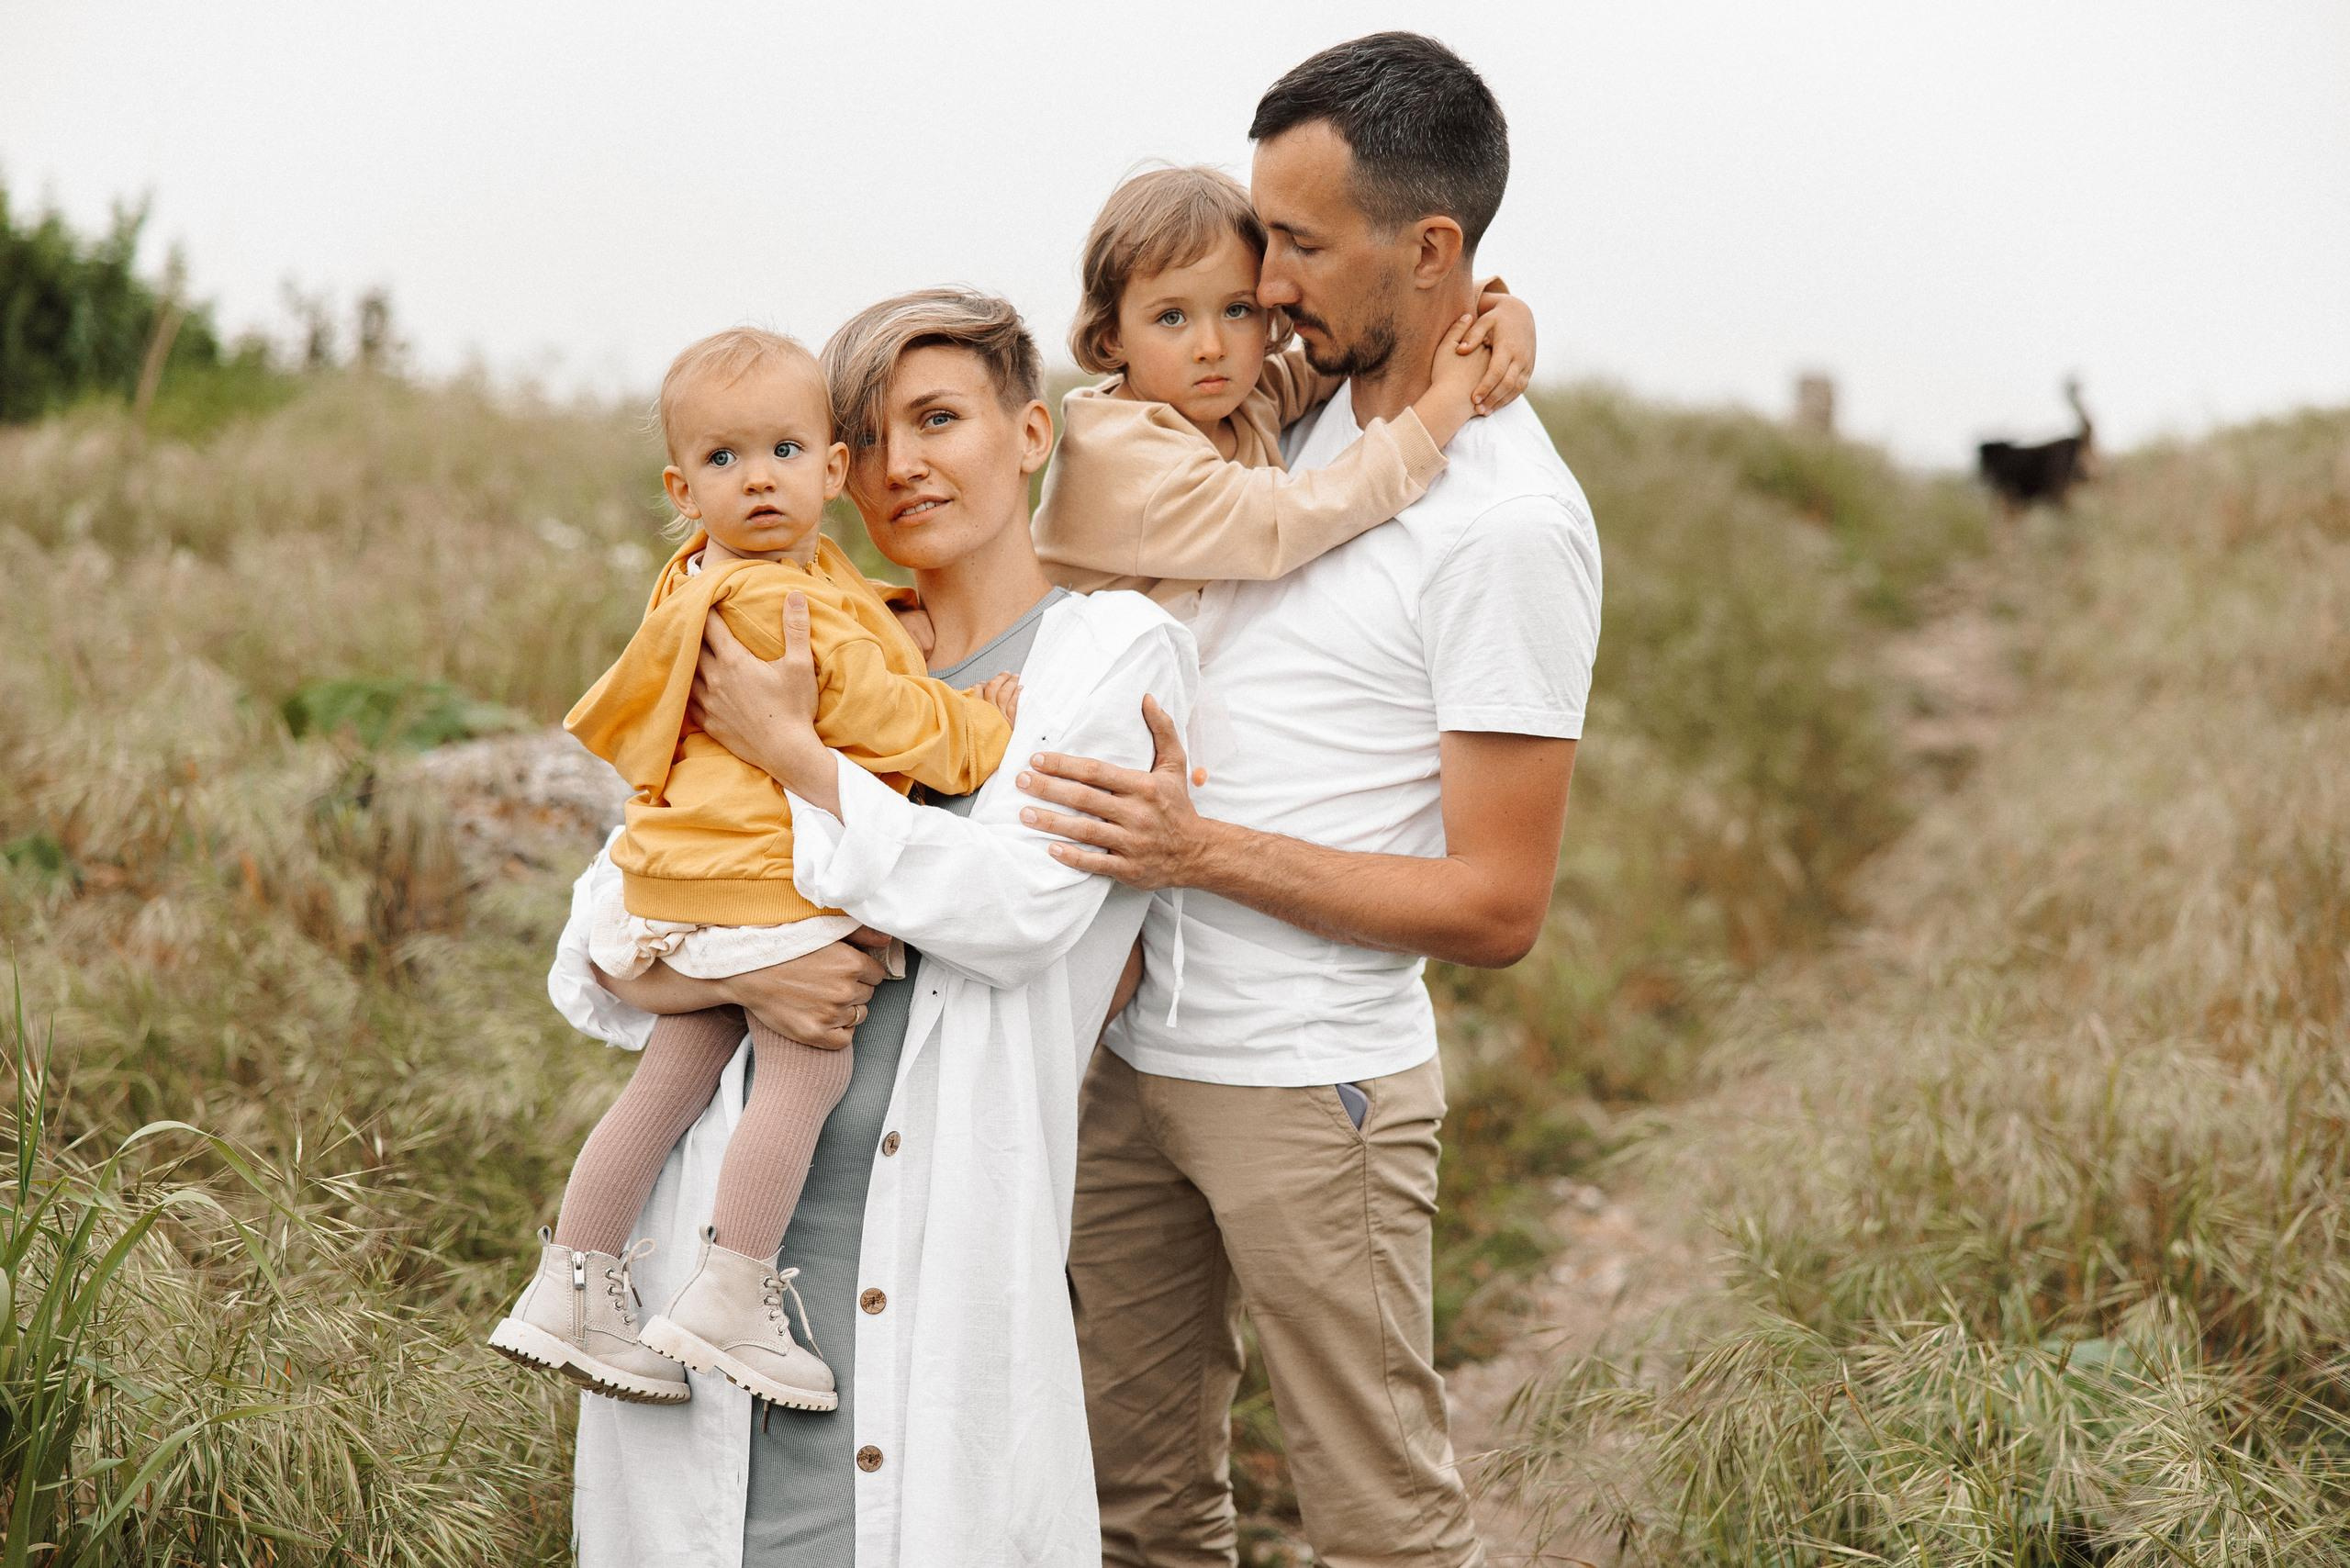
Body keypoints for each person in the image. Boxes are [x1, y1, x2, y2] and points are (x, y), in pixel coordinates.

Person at [1023, 34, 1604, 1568]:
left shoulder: (1508, 527)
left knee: (1380, 1526)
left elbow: (1498, 905)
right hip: (1129, 1051)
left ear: (1429, 251)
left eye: (1294, 242)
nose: (1263, 281)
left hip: (1310, 1091)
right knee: (1138, 1515)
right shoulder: (1294, 413)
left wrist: (1196, 849)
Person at [548, 289, 1197, 1567]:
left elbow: (1017, 912)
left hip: (943, 1256)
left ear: (1029, 434)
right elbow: (601, 934)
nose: (904, 465)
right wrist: (750, 978)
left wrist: (795, 754)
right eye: (871, 435)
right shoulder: (785, 623)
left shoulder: (1105, 654)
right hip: (721, 1243)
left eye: (941, 419)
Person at [493, 328, 1018, 1413]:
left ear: (830, 470)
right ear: (684, 487)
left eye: (783, 449)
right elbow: (876, 714)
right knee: (807, 1073)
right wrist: (973, 726)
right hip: (755, 885)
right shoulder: (781, 604)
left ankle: (570, 1282)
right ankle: (733, 1288)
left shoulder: (720, 576)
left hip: (682, 886)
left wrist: (877, 608)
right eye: (725, 461)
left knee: (670, 1080)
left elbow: (832, 605)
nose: (759, 478)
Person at [1033, 163, 1535, 612]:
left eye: (1237, 310)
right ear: (1112, 335)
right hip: (1063, 693)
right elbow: (1295, 516)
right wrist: (1450, 399)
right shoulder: (1116, 455)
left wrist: (1492, 309)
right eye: (1171, 317)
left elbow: (1363, 343)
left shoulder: (1244, 395)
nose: (1211, 346)